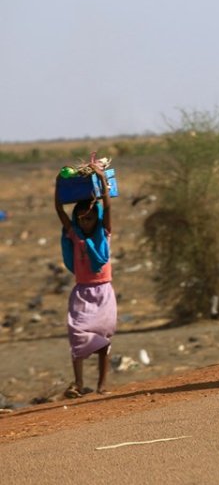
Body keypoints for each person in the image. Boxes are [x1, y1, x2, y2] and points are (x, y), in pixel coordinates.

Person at [55, 165, 116, 397]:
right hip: (82, 292)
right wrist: (58, 184)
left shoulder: (105, 233)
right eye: (81, 219)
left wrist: (102, 181)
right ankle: (78, 383)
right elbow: (59, 209)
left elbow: (108, 207)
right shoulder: (74, 234)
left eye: (89, 218)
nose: (85, 223)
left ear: (97, 219)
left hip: (103, 293)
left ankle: (102, 385)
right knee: (77, 335)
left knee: (104, 342)